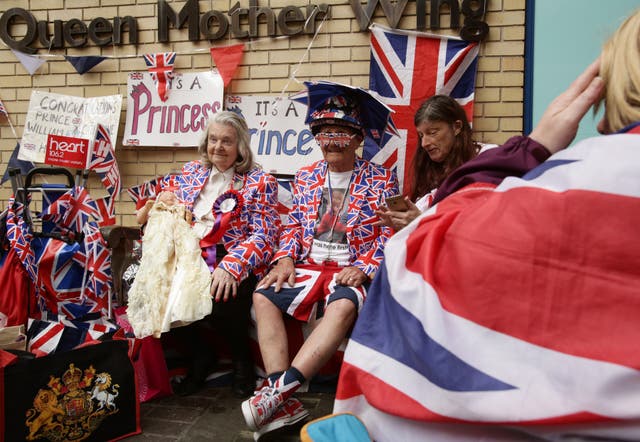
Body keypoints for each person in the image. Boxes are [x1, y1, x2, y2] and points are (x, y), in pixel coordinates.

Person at [334, 9, 640, 441]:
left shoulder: (517, 167)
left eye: (435, 132)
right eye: (422, 135)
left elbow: (439, 257)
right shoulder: (432, 173)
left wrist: (530, 150)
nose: (428, 143)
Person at [241, 83, 399, 437]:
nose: (331, 141)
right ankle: (282, 400)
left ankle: (279, 393)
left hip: (349, 269)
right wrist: (283, 259)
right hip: (308, 266)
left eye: (341, 133)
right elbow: (294, 225)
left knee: (343, 307)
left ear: (358, 139)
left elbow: (390, 234)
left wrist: (365, 267)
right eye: (324, 133)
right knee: (262, 295)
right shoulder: (306, 176)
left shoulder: (381, 178)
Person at [132, 111, 280, 398]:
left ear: (241, 147)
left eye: (227, 141)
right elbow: (168, 207)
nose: (218, 147)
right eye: (213, 139)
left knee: (223, 293)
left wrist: (233, 265)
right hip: (188, 253)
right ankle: (201, 355)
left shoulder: (259, 182)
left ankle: (242, 361)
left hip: (227, 254)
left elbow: (265, 235)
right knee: (156, 291)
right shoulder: (191, 172)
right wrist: (163, 199)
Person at [376, 95, 481, 231]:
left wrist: (421, 221)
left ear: (456, 127)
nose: (424, 143)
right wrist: (403, 225)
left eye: (432, 132)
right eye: (421, 135)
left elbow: (478, 225)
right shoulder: (430, 170)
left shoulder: (485, 162)